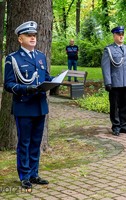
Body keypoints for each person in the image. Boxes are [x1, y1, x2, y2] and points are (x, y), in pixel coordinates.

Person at [4, 21, 52, 189]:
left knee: (36, 142)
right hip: (24, 106)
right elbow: (8, 84)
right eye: (29, 35)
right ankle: (24, 176)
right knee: (24, 143)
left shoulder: (40, 56)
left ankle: (34, 173)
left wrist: (56, 81)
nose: (33, 38)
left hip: (40, 106)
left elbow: (46, 76)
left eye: (34, 35)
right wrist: (27, 88)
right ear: (20, 39)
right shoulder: (13, 59)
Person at [101, 26, 126, 136]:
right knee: (115, 105)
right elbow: (105, 67)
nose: (121, 36)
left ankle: (124, 126)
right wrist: (108, 82)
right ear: (114, 36)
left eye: (122, 34)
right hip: (115, 82)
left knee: (125, 105)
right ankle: (116, 126)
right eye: (119, 34)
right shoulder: (109, 50)